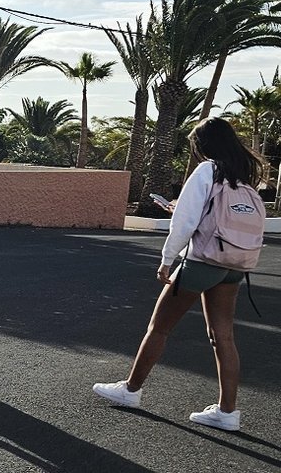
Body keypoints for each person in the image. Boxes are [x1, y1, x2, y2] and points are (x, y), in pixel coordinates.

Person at [92, 117, 262, 432]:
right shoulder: (242, 177)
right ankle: (227, 412)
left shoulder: (206, 171)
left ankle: (130, 390)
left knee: (159, 328)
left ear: (204, 145)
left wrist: (167, 259)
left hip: (201, 261)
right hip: (234, 265)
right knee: (223, 336)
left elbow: (184, 222)